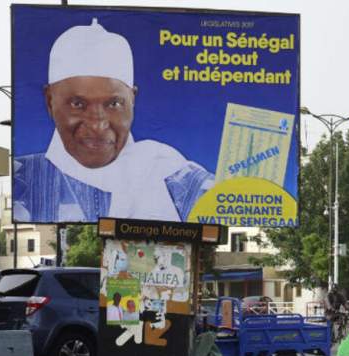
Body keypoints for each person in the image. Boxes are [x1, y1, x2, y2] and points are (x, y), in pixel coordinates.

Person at [13, 18, 214, 223]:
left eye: (114, 104)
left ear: (132, 99)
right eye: (78, 104)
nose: (97, 125)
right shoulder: (21, 179)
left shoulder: (172, 176)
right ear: (50, 100)